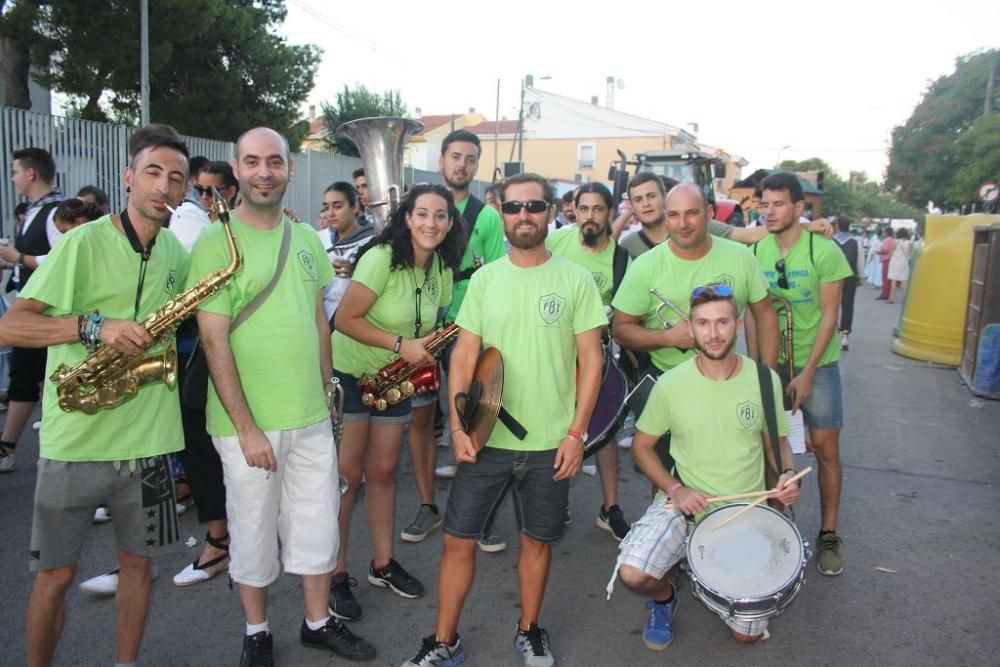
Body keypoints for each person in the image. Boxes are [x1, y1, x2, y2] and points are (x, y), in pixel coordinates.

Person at [0, 124, 191, 666]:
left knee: (139, 567)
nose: (164, 185)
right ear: (128, 177)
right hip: (75, 442)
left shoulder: (178, 251)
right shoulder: (82, 242)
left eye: (175, 178)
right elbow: (11, 327)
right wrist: (93, 327)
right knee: (54, 577)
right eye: (153, 172)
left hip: (153, 446)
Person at [402, 173, 605, 667]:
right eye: (513, 208)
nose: (524, 216)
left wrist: (577, 434)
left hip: (550, 443)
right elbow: (464, 356)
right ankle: (443, 642)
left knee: (536, 543)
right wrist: (456, 427)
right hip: (483, 437)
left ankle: (529, 630)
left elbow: (592, 362)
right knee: (456, 542)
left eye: (534, 206)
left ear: (551, 212)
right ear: (503, 214)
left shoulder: (575, 279)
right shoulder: (487, 279)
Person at [189, 127, 374, 665]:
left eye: (274, 161)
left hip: (311, 416)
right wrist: (245, 426)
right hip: (248, 426)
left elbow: (318, 322)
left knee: (318, 525)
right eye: (253, 162)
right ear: (237, 169)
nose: (264, 171)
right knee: (251, 529)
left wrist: (326, 398)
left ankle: (318, 622)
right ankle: (257, 632)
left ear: (289, 169)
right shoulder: (213, 244)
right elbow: (213, 337)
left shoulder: (309, 239)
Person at [609, 285, 801, 648]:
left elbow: (777, 442)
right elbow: (642, 447)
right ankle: (665, 596)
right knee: (633, 573)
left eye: (722, 322)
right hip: (687, 505)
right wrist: (675, 489)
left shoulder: (764, 380)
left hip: (746, 510)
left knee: (745, 636)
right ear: (691, 329)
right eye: (703, 323)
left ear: (739, 325)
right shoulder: (671, 384)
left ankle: (712, 573)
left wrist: (788, 474)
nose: (713, 333)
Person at [330, 183, 465, 624]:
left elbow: (437, 321)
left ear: (450, 222)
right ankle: (335, 574)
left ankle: (383, 564)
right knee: (349, 478)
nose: (431, 223)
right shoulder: (380, 258)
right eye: (422, 214)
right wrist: (400, 343)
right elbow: (343, 320)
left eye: (440, 215)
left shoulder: (442, 268)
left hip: (395, 379)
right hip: (350, 373)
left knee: (384, 472)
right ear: (407, 218)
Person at [402, 129, 506, 554]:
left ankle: (479, 513)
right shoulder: (420, 207)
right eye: (455, 156)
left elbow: (500, 277)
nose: (462, 164)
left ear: (477, 165)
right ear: (441, 160)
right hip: (425, 327)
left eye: (470, 158)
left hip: (471, 328)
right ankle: (428, 505)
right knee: (423, 417)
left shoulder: (487, 216)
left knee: (478, 416)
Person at [753, 171, 853, 576]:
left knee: (825, 450)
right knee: (773, 451)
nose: (770, 211)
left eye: (778, 204)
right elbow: (751, 313)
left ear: (798, 208)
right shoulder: (757, 250)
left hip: (818, 364)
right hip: (773, 364)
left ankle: (828, 533)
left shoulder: (824, 250)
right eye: (764, 204)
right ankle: (777, 527)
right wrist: (760, 369)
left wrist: (808, 372)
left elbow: (831, 316)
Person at [546, 182, 632, 541]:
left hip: (593, 357)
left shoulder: (620, 259)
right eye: (584, 209)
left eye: (598, 209)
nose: (590, 216)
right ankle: (555, 502)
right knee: (554, 428)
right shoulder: (556, 242)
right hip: (551, 353)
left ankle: (609, 507)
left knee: (605, 430)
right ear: (574, 211)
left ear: (609, 214)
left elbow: (626, 315)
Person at [0, 147, 63, 473]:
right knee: (24, 377)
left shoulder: (56, 212)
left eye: (14, 171)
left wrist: (17, 258)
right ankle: (8, 445)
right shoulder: (38, 211)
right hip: (32, 313)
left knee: (45, 381)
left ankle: (19, 448)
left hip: (50, 316)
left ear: (30, 173)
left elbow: (63, 259)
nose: (12, 178)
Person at [619, 173, 832, 260]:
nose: (646, 204)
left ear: (666, 197)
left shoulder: (698, 228)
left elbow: (749, 235)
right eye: (638, 200)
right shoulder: (628, 245)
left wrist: (806, 226)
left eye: (651, 196)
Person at [319, 181, 375, 322]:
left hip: (357, 325)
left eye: (337, 206)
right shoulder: (319, 238)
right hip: (321, 323)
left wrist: (357, 272)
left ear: (355, 206)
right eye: (326, 208)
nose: (330, 214)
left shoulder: (372, 241)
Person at [170, 160, 239, 252]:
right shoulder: (194, 220)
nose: (204, 196)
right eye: (199, 189)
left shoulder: (243, 226)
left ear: (231, 192)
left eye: (211, 191)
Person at [833, 215, 861, 350]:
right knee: (848, 305)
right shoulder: (855, 242)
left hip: (831, 277)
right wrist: (860, 277)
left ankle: (829, 334)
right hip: (849, 276)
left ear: (837, 225)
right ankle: (845, 336)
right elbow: (860, 262)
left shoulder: (830, 241)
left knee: (830, 305)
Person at [887, 228, 913, 303]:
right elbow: (910, 254)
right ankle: (905, 298)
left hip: (895, 263)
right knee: (904, 282)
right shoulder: (909, 243)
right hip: (904, 263)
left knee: (894, 281)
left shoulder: (895, 242)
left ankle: (892, 298)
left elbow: (890, 253)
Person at [875, 227, 896, 300]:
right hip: (890, 260)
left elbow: (885, 250)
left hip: (886, 260)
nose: (883, 233)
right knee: (888, 278)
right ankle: (887, 293)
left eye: (884, 232)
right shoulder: (892, 240)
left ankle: (885, 294)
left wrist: (877, 252)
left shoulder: (886, 240)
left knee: (885, 278)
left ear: (887, 233)